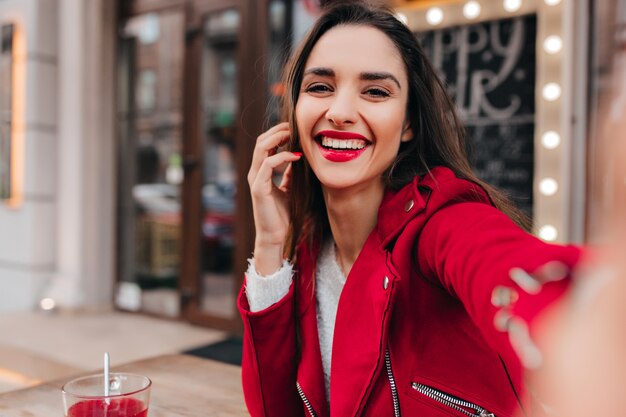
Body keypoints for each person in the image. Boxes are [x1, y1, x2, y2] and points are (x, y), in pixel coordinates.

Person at [239, 2, 582, 416]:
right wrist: (271, 243)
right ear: (294, 110)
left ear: (408, 123)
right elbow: (274, 410)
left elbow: (511, 267)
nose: (341, 112)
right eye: (320, 87)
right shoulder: (310, 251)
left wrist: (588, 309)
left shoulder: (444, 222)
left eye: (376, 91)